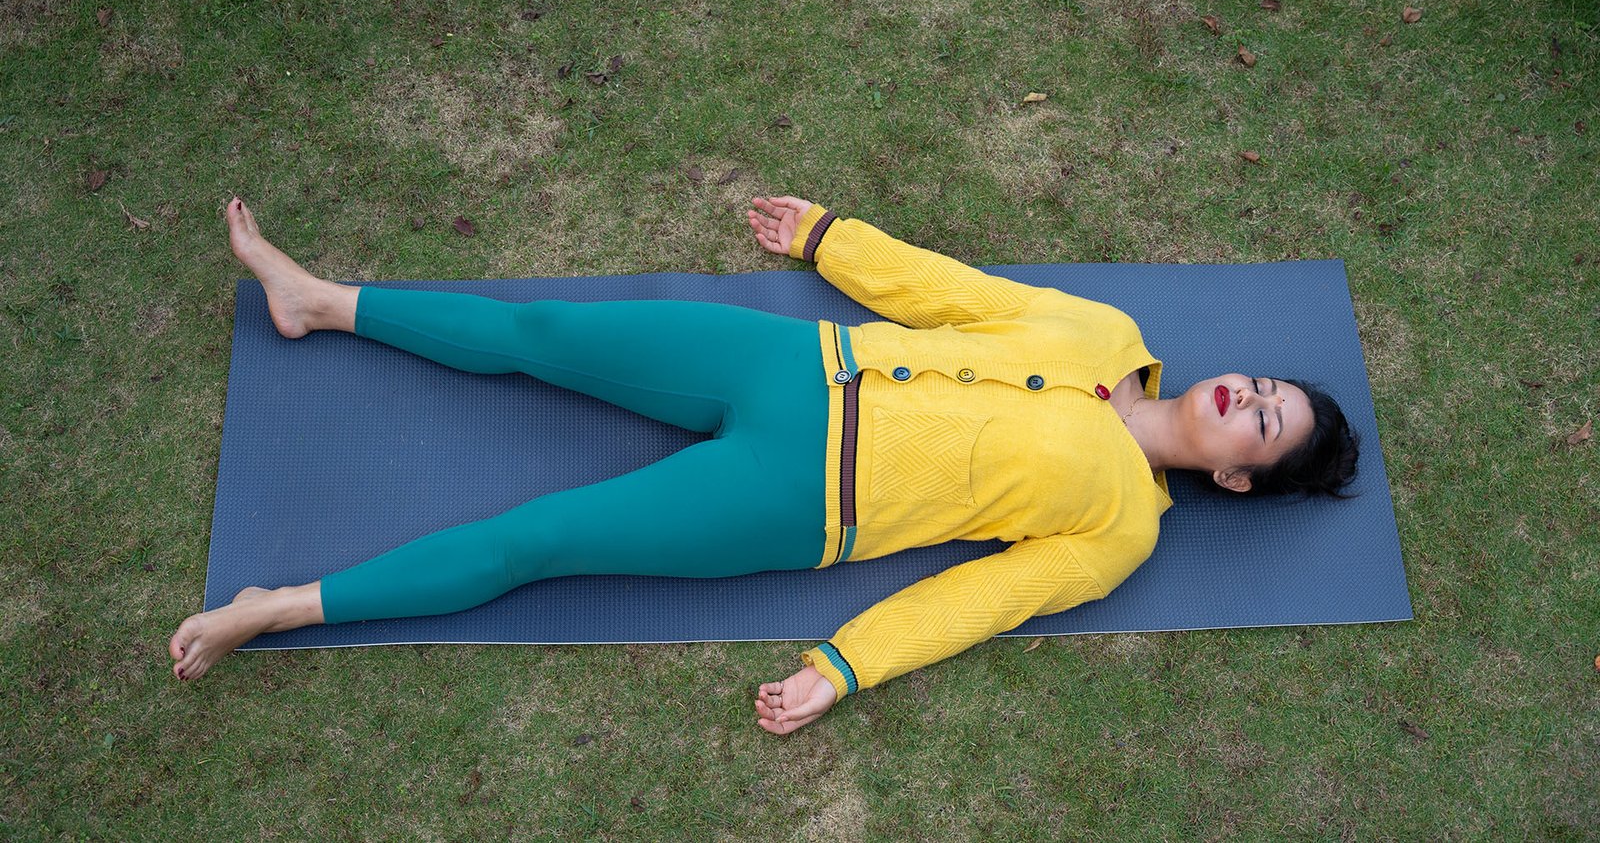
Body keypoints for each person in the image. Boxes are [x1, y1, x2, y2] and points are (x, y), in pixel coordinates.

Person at [169, 195, 1359, 735]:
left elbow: (983, 601)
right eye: (1261, 385)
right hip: (795, 366)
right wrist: (838, 241)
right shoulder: (1106, 335)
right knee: (548, 335)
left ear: (1239, 479)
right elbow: (963, 297)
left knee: (539, 542)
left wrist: (844, 668)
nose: (1245, 396)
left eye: (1262, 424)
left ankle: (278, 609)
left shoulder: (1124, 533)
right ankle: (318, 301)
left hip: (796, 503)